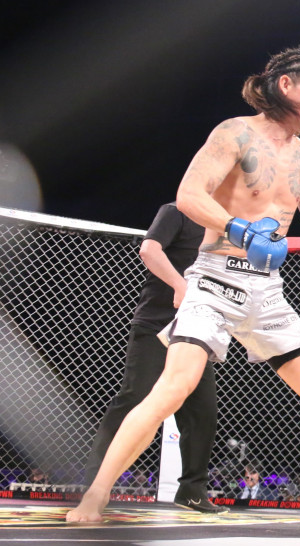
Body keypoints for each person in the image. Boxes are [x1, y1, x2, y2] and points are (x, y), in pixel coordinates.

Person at [66, 46, 300, 524]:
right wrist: (239, 230)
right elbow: (189, 195)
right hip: (214, 278)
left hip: (267, 290)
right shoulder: (235, 132)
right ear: (286, 85)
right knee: (171, 390)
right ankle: (96, 495)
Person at [81, 202, 223, 514]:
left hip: (195, 333)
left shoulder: (224, 226)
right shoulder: (177, 212)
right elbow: (149, 250)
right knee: (135, 398)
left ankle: (192, 491)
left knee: (202, 412)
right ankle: (95, 485)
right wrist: (180, 285)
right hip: (156, 324)